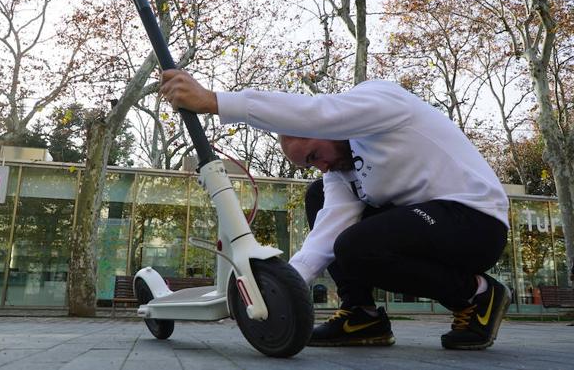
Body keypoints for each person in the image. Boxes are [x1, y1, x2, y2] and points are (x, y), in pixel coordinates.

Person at [160, 69, 511, 350]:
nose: (322, 166)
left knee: (356, 245)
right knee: (319, 199)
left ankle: (477, 294)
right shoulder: (343, 169)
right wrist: (282, 289)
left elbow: (320, 111)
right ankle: (362, 315)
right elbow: (328, 228)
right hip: (428, 225)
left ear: (322, 129)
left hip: (475, 223)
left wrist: (215, 101)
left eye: (314, 156)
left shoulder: (378, 101)